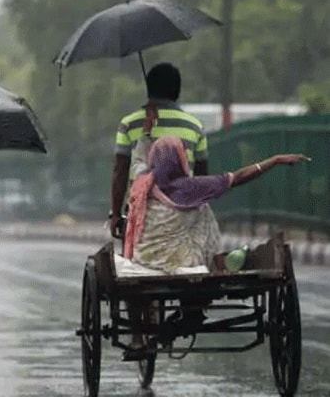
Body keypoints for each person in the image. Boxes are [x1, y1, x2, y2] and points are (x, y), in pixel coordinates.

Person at [122, 135, 309, 353]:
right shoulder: (193, 187)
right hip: (186, 263)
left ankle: (138, 337)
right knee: (202, 209)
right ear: (181, 159)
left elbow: (136, 168)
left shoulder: (141, 185)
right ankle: (193, 310)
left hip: (146, 259)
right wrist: (275, 160)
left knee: (130, 281)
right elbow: (238, 178)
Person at [110, 62, 208, 237]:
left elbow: (120, 172)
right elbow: (202, 176)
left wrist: (116, 214)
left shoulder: (129, 124)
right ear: (177, 91)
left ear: (149, 89)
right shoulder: (195, 126)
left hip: (140, 215)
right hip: (182, 214)